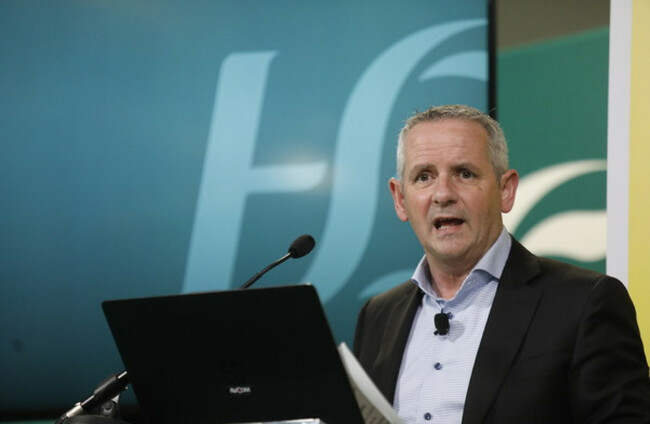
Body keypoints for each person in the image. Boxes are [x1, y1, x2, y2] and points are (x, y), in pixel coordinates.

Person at [353, 105, 650, 424]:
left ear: (506, 190)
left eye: (464, 173)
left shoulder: (585, 303)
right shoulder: (377, 316)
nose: (443, 194)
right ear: (400, 199)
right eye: (424, 176)